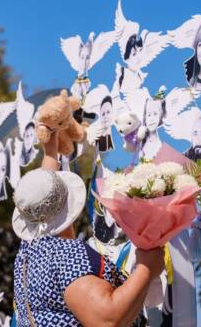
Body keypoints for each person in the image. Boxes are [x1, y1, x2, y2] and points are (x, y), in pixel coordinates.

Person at [12, 131, 164, 326]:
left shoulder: (30, 248)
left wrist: (50, 153)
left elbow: (41, 197)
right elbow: (107, 320)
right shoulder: (65, 256)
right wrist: (146, 268)